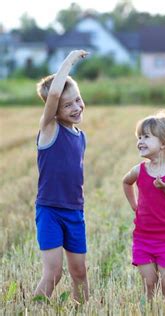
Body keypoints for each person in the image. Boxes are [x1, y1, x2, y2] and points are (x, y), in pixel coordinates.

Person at [34, 50, 89, 303]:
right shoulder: (49, 129)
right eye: (68, 105)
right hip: (50, 211)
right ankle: (33, 308)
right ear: (53, 110)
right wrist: (69, 61)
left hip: (75, 212)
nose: (77, 107)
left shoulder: (81, 136)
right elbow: (55, 93)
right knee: (53, 273)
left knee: (80, 272)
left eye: (78, 100)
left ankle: (83, 308)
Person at [122, 110, 165, 300]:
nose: (140, 141)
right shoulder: (140, 170)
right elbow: (126, 182)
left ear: (163, 143)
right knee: (149, 284)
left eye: (146, 137)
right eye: (139, 137)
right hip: (143, 238)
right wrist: (134, 205)